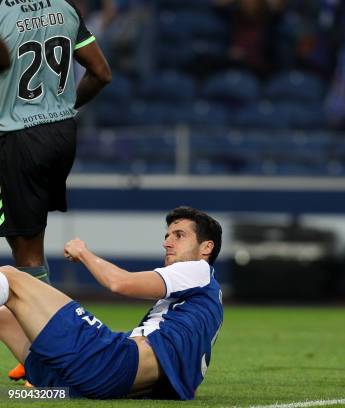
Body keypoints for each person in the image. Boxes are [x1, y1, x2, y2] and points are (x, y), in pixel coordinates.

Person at [0, 206, 223, 399]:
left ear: (206, 248)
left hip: (110, 366)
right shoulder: (205, 304)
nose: (167, 243)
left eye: (179, 235)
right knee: (4, 316)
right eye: (167, 236)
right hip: (106, 386)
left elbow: (120, 283)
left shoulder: (199, 270)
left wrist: (83, 253)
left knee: (11, 276)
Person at [0, 0, 111, 381]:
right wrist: (64, 107)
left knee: (26, 251)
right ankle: (38, 351)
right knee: (26, 243)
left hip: (16, 135)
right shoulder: (66, 6)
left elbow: (1, 59)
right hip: (60, 134)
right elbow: (101, 72)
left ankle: (47, 357)